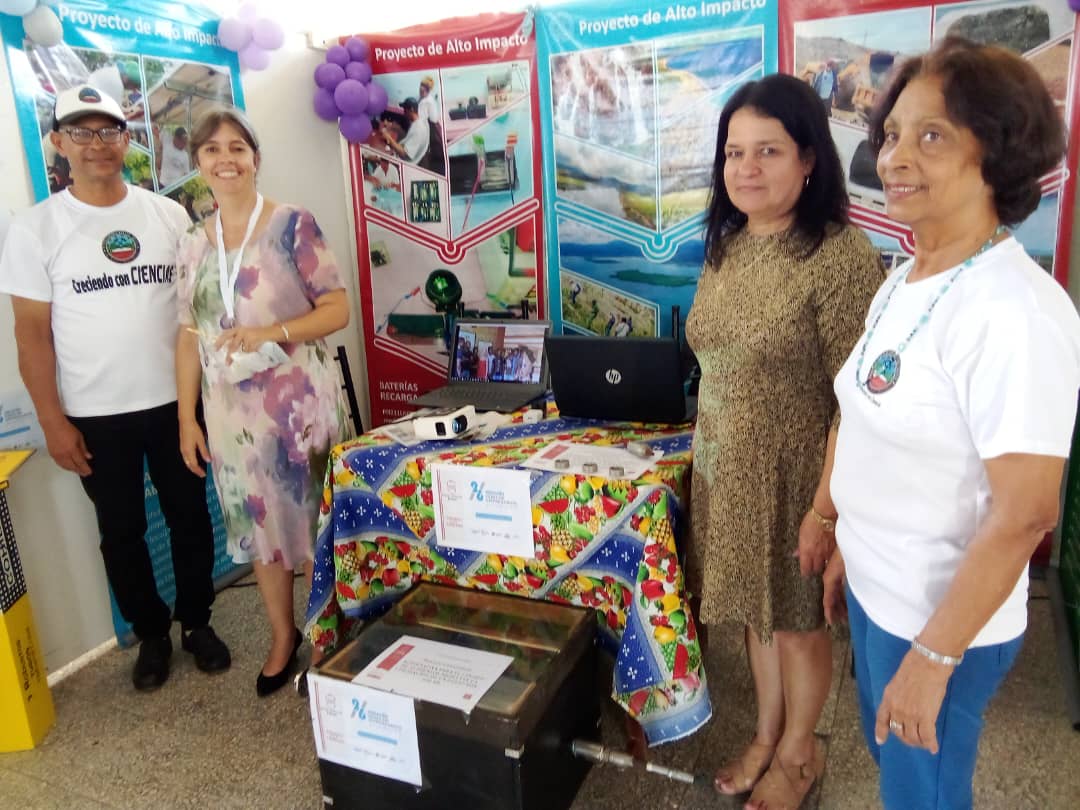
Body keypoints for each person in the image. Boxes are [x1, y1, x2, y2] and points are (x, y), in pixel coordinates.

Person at [822, 38, 1080, 810]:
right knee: (893, 762)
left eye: (932, 135)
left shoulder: (1018, 312)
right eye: (892, 134)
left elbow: (1029, 509)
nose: (898, 156)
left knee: (923, 793)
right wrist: (838, 528)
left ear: (996, 154)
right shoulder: (906, 276)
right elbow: (864, 409)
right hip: (878, 588)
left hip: (939, 616)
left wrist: (934, 657)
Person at [684, 72, 884, 809]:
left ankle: (801, 754)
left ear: (808, 159)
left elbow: (858, 401)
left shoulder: (838, 256)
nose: (746, 168)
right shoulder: (725, 248)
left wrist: (824, 510)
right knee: (750, 613)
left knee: (799, 626)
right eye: (735, 152)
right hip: (722, 471)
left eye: (767, 151)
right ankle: (768, 732)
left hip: (801, 476)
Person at [0, 84, 231, 691]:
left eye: (109, 131)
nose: (97, 144)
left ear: (126, 141)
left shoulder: (167, 215)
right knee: (121, 532)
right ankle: (151, 635)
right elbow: (31, 339)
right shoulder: (36, 230)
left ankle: (197, 623)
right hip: (95, 416)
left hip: (177, 405)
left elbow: (196, 311)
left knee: (190, 517)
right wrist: (53, 422)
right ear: (59, 142)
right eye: (82, 131)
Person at [175, 108, 351, 697]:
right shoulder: (192, 244)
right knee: (260, 532)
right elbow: (188, 335)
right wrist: (186, 416)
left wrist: (271, 332)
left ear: (254, 157)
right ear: (198, 163)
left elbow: (337, 310)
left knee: (313, 526)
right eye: (211, 150)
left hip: (297, 408)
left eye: (237, 148)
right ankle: (283, 637)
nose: (225, 159)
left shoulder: (292, 224)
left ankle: (334, 636)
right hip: (231, 418)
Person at [382, 98, 429, 165]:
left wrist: (389, 138)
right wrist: (397, 128)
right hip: (404, 151)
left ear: (412, 109)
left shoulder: (418, 129)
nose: (404, 112)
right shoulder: (420, 121)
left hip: (403, 163)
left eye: (405, 110)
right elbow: (411, 136)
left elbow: (405, 154)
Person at [417, 76, 445, 175]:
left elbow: (422, 119)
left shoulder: (425, 101)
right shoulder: (428, 99)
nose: (421, 89)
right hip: (434, 126)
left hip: (430, 127)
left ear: (427, 90)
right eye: (421, 86)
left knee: (431, 154)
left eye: (423, 87)